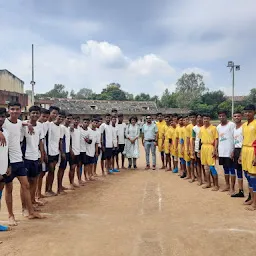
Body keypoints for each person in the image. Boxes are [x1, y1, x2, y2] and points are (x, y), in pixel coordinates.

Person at [0, 102, 43, 225]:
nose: (14, 111)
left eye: (17, 109)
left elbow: (23, 123)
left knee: (26, 185)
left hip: (19, 160)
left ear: (20, 111)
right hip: (8, 162)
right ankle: (10, 215)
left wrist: (28, 124)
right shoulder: (4, 123)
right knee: (9, 189)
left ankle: (30, 211)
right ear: (8, 110)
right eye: (12, 109)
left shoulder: (19, 123)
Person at [21, 106, 44, 211]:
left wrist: (42, 154)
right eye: (33, 113)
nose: (35, 115)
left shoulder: (40, 126)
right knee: (25, 184)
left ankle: (31, 202)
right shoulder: (23, 125)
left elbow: (40, 141)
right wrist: (27, 124)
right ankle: (24, 207)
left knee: (34, 180)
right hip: (25, 158)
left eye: (37, 113)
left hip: (36, 157)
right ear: (29, 114)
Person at [240, 104, 256, 211]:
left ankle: (255, 203)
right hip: (245, 150)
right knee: (247, 175)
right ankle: (251, 199)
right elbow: (243, 140)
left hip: (253, 150)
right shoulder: (244, 125)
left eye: (250, 111)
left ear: (254, 112)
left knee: (253, 176)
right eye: (246, 112)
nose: (247, 114)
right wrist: (241, 154)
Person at [45, 110, 65, 196]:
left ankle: (50, 189)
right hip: (49, 152)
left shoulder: (61, 128)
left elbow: (60, 141)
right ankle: (47, 190)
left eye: (62, 117)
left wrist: (61, 152)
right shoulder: (49, 125)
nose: (60, 118)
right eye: (59, 116)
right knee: (50, 170)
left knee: (52, 171)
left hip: (56, 152)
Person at [216, 110, 236, 194]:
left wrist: (233, 150)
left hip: (230, 151)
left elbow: (235, 138)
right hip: (222, 151)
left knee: (232, 169)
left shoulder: (231, 125)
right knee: (225, 169)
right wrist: (217, 150)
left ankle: (232, 188)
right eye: (220, 116)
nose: (221, 117)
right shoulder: (218, 127)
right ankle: (227, 185)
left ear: (226, 116)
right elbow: (218, 140)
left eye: (223, 116)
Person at [198, 113, 219, 191]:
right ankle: (208, 183)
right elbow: (200, 140)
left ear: (209, 119)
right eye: (204, 119)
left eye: (207, 119)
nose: (205, 120)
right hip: (203, 147)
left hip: (210, 147)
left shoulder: (213, 128)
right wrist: (199, 150)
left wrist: (215, 149)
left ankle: (216, 185)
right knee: (206, 167)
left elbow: (216, 139)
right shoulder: (202, 128)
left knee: (212, 167)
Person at [0, 108, 11, 232]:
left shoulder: (6, 132)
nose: (1, 119)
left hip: (3, 169)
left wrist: (8, 166)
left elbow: (6, 150)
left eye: (3, 116)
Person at [36, 108, 50, 200]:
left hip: (43, 151)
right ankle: (37, 194)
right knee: (38, 174)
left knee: (42, 173)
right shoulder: (36, 125)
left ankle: (38, 193)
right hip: (37, 153)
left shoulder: (44, 125)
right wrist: (43, 153)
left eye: (46, 117)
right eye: (43, 116)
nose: (45, 118)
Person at [58, 112, 73, 194]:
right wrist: (62, 152)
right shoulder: (62, 128)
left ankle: (61, 186)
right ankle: (59, 188)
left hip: (67, 151)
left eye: (70, 119)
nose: (69, 120)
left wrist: (69, 150)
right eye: (67, 118)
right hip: (63, 152)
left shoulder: (68, 128)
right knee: (61, 169)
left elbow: (68, 141)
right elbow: (60, 141)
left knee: (63, 169)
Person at [231, 111, 244, 198]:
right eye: (235, 116)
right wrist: (233, 151)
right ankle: (241, 190)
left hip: (243, 150)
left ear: (241, 117)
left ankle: (252, 193)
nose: (236, 117)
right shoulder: (234, 128)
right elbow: (234, 141)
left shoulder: (244, 127)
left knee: (248, 172)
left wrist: (241, 154)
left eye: (238, 116)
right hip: (236, 150)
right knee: (238, 171)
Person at [192, 113, 204, 185]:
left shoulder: (205, 127)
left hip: (205, 148)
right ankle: (200, 179)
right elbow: (193, 140)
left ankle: (206, 178)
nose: (199, 119)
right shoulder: (194, 128)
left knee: (205, 164)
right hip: (197, 148)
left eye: (201, 118)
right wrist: (193, 150)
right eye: (198, 118)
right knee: (198, 164)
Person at [69, 116, 81, 189]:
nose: (76, 121)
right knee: (72, 168)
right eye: (75, 120)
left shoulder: (79, 129)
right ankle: (71, 183)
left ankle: (74, 181)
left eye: (77, 120)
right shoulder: (71, 129)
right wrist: (71, 150)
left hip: (78, 151)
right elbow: (68, 140)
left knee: (77, 166)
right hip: (72, 151)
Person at [186, 112, 197, 182]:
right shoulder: (188, 127)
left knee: (199, 163)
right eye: (191, 117)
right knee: (192, 162)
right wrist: (187, 149)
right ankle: (192, 176)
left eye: (194, 117)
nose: (192, 118)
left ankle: (201, 176)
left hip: (198, 145)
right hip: (191, 145)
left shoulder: (200, 125)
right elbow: (187, 138)